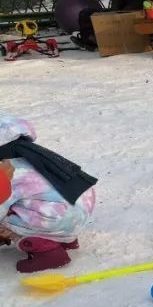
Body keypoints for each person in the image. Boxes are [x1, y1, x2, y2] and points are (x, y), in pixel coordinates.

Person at [0, 113, 96, 273]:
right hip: (77, 211)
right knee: (36, 199)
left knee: (3, 217)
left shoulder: (8, 169)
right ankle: (65, 240)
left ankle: (48, 252)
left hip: (60, 219)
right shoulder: (34, 155)